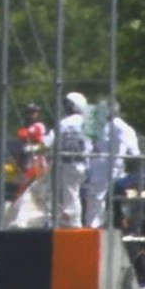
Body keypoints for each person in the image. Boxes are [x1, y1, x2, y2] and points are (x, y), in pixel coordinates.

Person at [83, 99, 140, 230]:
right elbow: (135, 152)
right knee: (108, 202)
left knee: (94, 204)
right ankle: (104, 227)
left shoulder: (97, 126)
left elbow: (87, 146)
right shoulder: (125, 128)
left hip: (96, 170)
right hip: (112, 171)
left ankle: (93, 228)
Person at [50, 92, 90, 228]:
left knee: (70, 193)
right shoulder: (89, 122)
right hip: (84, 163)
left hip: (68, 163)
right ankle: (73, 220)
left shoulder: (64, 123)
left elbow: (50, 140)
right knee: (76, 192)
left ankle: (74, 222)